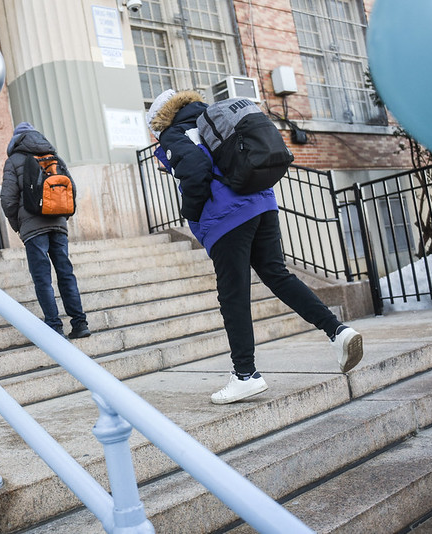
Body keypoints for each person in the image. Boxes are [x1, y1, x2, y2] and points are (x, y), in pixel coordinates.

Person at [145, 89, 362, 405]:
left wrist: (191, 212)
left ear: (159, 122)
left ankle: (245, 375)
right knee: (278, 275)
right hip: (262, 203)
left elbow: (195, 169)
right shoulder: (209, 118)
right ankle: (337, 332)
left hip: (226, 216)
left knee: (233, 294)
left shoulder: (174, 133)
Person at [0, 122, 90, 340]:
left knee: (42, 279)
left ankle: (54, 325)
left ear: (16, 141)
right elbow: (72, 189)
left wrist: (18, 225)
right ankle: (80, 323)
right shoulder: (54, 157)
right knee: (66, 274)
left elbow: (8, 200)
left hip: (32, 228)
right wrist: (62, 215)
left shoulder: (13, 161)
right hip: (58, 224)